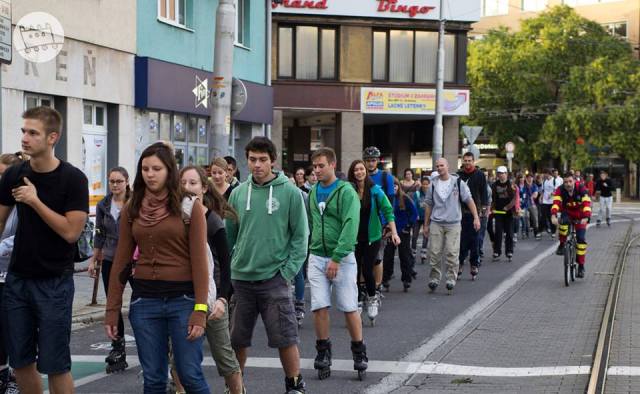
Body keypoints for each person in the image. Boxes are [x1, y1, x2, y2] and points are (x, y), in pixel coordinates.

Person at [105, 142, 211, 394]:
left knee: (190, 375)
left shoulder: (189, 206)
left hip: (183, 301)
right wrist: (112, 309)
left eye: (157, 168)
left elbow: (200, 263)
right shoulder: (132, 207)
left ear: (169, 171)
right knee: (153, 379)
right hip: (144, 302)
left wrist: (200, 309)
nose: (150, 174)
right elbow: (121, 261)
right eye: (145, 169)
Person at [0, 107, 89, 394]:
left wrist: (35, 201)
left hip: (54, 282)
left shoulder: (73, 179)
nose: (25, 138)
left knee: (55, 364)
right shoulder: (14, 174)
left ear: (53, 137)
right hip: (17, 280)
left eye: (33, 133)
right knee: (21, 361)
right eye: (23, 131)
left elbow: (71, 232)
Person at [225, 137, 308, 394]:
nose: (257, 165)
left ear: (273, 161)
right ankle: (235, 388)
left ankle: (294, 384)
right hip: (242, 279)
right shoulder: (238, 194)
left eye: (262, 160)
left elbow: (300, 237)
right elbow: (229, 236)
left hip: (275, 279)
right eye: (252, 159)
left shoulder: (291, 193)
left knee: (285, 337)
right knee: (237, 340)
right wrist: (232, 269)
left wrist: (287, 273)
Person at [180, 166, 245, 394]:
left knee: (224, 358)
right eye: (183, 183)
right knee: (178, 358)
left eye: (193, 183)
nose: (187, 188)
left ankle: (238, 390)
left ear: (204, 188)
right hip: (184, 297)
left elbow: (226, 268)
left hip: (212, 298)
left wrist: (222, 299)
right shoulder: (175, 219)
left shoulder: (214, 221)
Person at [307, 148, 367, 379]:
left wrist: (337, 257)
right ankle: (323, 352)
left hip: (341, 258)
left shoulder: (346, 192)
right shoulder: (313, 192)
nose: (317, 170)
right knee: (319, 305)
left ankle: (359, 351)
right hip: (316, 255)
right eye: (315, 167)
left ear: (333, 165)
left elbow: (350, 226)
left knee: (348, 306)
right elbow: (311, 223)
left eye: (321, 165)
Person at [89, 167, 131, 374]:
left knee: (142, 303)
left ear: (127, 182)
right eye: (112, 181)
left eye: (119, 181)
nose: (115, 185)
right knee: (113, 304)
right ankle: (118, 348)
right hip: (110, 259)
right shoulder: (103, 204)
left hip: (133, 260)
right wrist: (94, 258)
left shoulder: (135, 202)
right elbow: (99, 233)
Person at [348, 160, 399, 325]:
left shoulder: (376, 191)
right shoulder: (349, 190)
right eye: (356, 170)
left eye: (361, 169)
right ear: (352, 173)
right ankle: (357, 301)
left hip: (373, 237)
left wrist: (394, 233)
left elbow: (388, 211)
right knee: (353, 271)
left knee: (367, 269)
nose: (359, 172)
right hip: (353, 238)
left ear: (366, 171)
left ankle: (372, 298)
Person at [424, 158, 480, 293]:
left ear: (448, 166)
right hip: (436, 222)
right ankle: (434, 278)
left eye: (442, 165)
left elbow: (469, 200)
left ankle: (450, 278)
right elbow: (428, 204)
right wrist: (426, 224)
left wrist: (476, 217)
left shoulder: (458, 182)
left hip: (453, 223)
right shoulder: (433, 184)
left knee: (452, 252)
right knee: (434, 252)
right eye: (437, 166)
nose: (439, 168)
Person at [0, 153, 24, 394]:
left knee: (14, 331)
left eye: (3, 175)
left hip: (15, 276)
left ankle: (17, 378)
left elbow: (21, 238)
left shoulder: (22, 205)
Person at [362, 146, 394, 297]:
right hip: (363, 223)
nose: (370, 163)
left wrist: (388, 224)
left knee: (377, 257)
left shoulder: (384, 176)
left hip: (380, 222)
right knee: (362, 258)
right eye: (367, 160)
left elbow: (390, 201)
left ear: (378, 161)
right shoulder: (361, 176)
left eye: (373, 160)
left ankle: (377, 285)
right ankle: (363, 286)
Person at [551, 172, 591, 278]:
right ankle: (562, 243)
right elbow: (556, 203)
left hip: (580, 215)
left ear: (574, 181)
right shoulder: (560, 190)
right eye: (565, 182)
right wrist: (553, 215)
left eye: (570, 181)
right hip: (567, 213)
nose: (568, 184)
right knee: (563, 225)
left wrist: (586, 217)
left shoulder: (581, 188)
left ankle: (581, 266)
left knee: (581, 239)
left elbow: (586, 202)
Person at [382, 178, 418, 292]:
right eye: (391, 186)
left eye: (395, 185)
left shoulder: (404, 198)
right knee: (387, 256)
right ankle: (385, 279)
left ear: (399, 186)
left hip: (403, 232)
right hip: (389, 232)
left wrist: (408, 226)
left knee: (404, 256)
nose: (394, 188)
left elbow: (414, 213)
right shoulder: (385, 199)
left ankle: (406, 280)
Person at [457, 152, 488, 279]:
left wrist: (484, 209)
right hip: (460, 212)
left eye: (470, 160)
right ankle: (459, 263)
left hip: (475, 213)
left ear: (474, 161)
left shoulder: (479, 175)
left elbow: (484, 193)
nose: (467, 163)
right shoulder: (458, 175)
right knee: (461, 241)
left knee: (475, 240)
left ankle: (474, 264)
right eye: (465, 160)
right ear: (463, 161)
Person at [491, 166, 518, 262]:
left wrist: (508, 207)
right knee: (498, 232)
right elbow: (493, 198)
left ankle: (509, 251)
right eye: (499, 173)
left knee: (509, 233)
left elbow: (515, 198)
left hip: (509, 213)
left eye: (503, 173)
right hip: (498, 212)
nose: (501, 175)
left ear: (506, 174)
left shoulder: (511, 185)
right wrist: (492, 208)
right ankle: (497, 251)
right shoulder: (494, 185)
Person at [412, 177, 431, 263]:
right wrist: (415, 215)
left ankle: (423, 252)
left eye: (427, 184)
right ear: (421, 184)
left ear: (429, 184)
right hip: (418, 218)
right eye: (424, 184)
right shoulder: (417, 193)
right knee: (415, 236)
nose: (425, 186)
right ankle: (413, 252)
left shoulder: (431, 193)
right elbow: (414, 205)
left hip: (427, 218)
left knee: (425, 235)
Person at [540, 168, 562, 237]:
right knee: (543, 216)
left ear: (548, 174)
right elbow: (543, 190)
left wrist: (552, 194)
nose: (544, 175)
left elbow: (557, 190)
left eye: (545, 174)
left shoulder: (555, 181)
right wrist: (541, 197)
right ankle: (541, 230)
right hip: (545, 201)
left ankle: (553, 231)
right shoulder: (544, 181)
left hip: (553, 201)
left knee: (552, 217)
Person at [522, 173, 541, 239]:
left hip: (532, 204)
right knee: (525, 218)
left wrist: (532, 195)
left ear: (533, 179)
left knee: (535, 219)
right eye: (528, 178)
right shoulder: (524, 186)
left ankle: (536, 233)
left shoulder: (535, 186)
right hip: (524, 205)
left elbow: (535, 195)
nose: (530, 179)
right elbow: (521, 194)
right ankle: (525, 233)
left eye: (531, 177)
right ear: (526, 178)